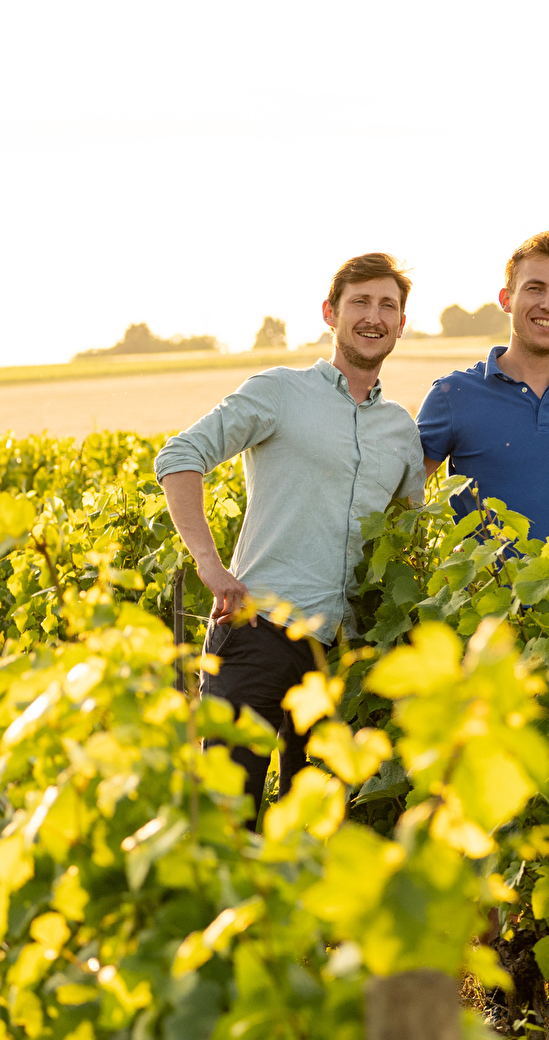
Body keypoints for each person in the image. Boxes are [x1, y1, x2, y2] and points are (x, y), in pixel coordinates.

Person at [154, 252, 426, 823]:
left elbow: (404, 542)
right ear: (330, 313)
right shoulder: (280, 392)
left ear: (401, 324)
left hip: (342, 658)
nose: (373, 316)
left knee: (311, 832)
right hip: (255, 633)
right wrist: (209, 564)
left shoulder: (401, 430)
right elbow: (180, 456)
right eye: (359, 302)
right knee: (227, 821)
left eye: (387, 306)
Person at [417, 230, 549, 543]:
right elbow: (401, 496)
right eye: (535, 288)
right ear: (506, 299)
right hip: (484, 576)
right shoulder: (453, 395)